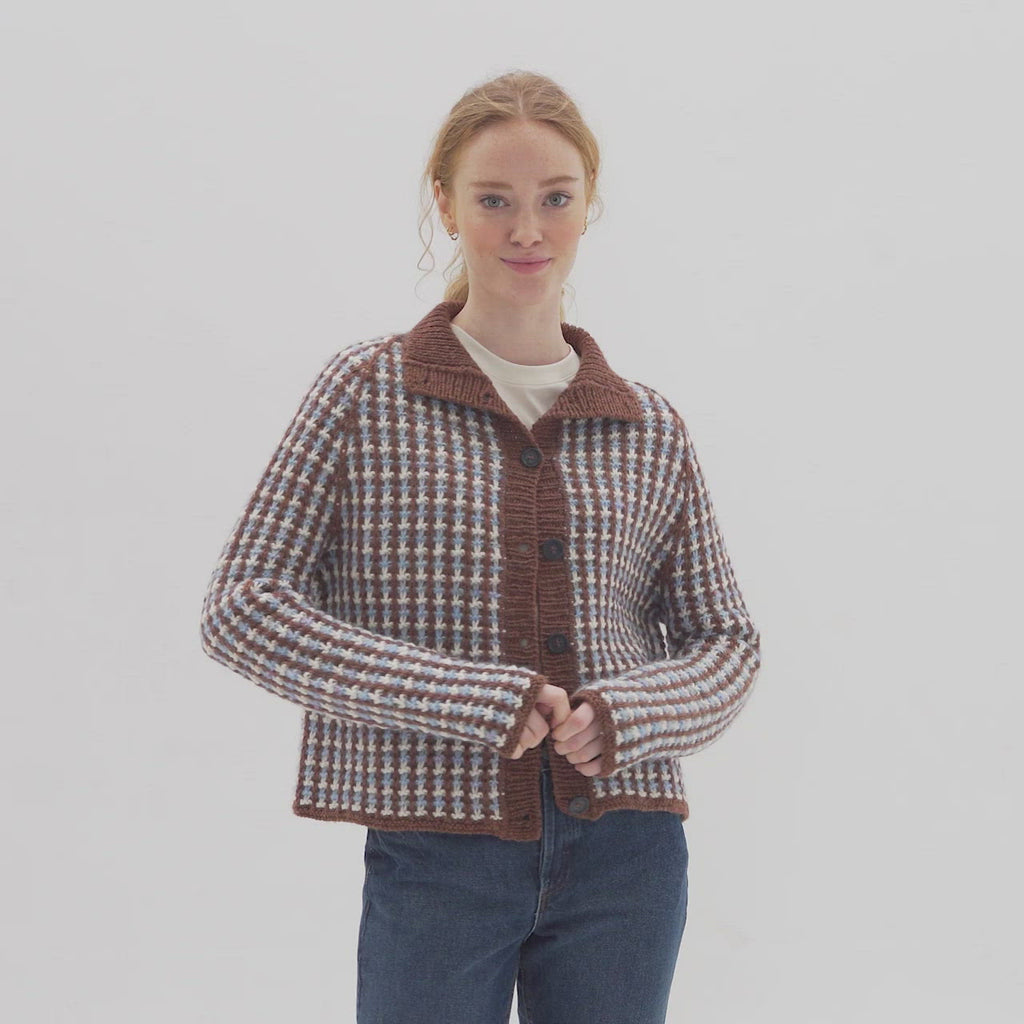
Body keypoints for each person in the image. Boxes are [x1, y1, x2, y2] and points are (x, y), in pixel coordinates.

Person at [199, 69, 761, 1024]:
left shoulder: (648, 425)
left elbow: (726, 642)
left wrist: (627, 714)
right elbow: (244, 607)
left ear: (589, 203)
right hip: (438, 845)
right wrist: (470, 698)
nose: (527, 229)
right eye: (494, 199)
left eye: (555, 198)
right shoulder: (367, 392)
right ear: (446, 204)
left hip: (626, 851)